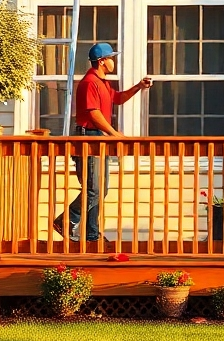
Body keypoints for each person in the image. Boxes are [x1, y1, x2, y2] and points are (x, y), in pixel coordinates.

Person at [52, 42, 151, 246]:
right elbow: (93, 113)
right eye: (111, 57)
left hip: (99, 138)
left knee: (100, 188)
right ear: (102, 61)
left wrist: (138, 86)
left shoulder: (103, 82)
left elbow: (118, 98)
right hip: (89, 137)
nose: (113, 61)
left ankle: (91, 234)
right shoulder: (90, 82)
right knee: (93, 189)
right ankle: (66, 220)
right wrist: (114, 133)